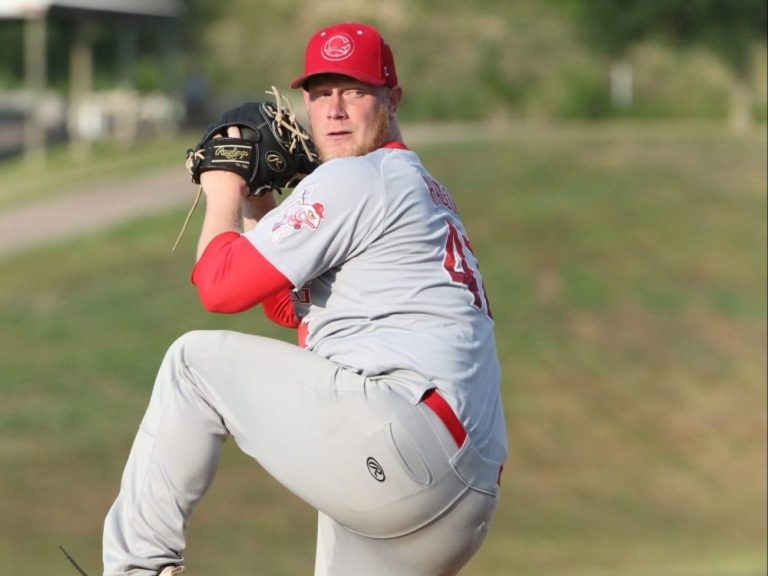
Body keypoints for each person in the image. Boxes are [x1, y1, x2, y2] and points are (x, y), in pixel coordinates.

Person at [102, 21, 507, 576]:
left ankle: (136, 569)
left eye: (354, 90)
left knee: (192, 366)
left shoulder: (359, 179)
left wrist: (223, 183)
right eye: (320, 94)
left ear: (392, 98)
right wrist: (262, 200)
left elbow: (219, 287)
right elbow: (290, 307)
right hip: (463, 496)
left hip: (405, 442)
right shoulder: (416, 187)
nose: (334, 110)